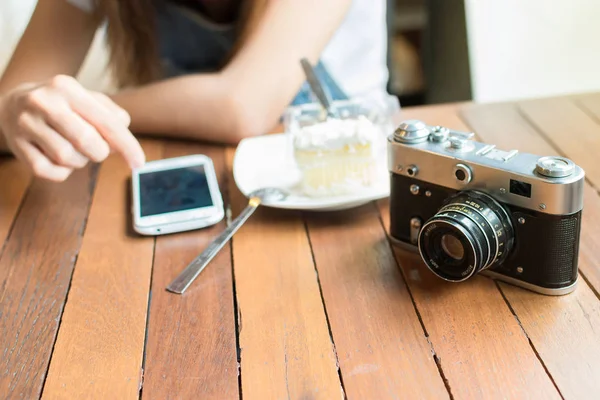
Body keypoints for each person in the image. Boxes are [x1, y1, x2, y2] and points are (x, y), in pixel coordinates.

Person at [0, 0, 390, 182]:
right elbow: (11, 103)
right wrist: (19, 111)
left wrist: (90, 112)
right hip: (182, 180)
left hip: (352, 191)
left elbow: (242, 107)